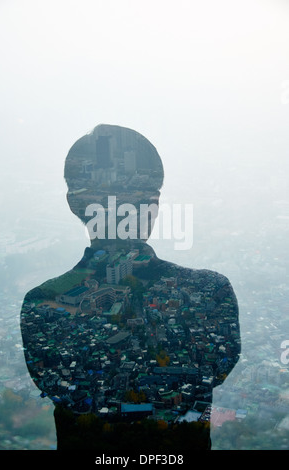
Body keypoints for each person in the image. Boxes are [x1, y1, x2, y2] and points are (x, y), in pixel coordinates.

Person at [20, 124, 241, 453]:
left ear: (73, 204)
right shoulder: (210, 291)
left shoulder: (41, 303)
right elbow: (208, 377)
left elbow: (68, 395)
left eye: (137, 197)